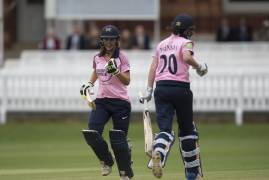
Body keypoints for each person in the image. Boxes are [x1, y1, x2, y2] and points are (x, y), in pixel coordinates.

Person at [140, 14, 208, 180]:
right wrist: (199, 67)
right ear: (186, 31)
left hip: (161, 89)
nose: (191, 33)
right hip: (180, 88)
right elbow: (186, 57)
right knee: (187, 131)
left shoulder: (161, 44)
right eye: (190, 31)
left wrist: (149, 89)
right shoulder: (186, 42)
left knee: (164, 130)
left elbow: (153, 67)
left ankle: (159, 154)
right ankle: (192, 174)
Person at [80, 25, 133, 180]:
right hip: (102, 101)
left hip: (120, 103)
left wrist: (116, 71)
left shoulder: (122, 58)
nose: (109, 42)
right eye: (106, 39)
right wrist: (89, 84)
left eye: (111, 39)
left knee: (118, 139)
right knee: (92, 133)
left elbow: (127, 81)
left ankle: (125, 174)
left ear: (117, 41)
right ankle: (107, 161)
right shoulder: (97, 57)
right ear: (101, 41)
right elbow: (96, 70)